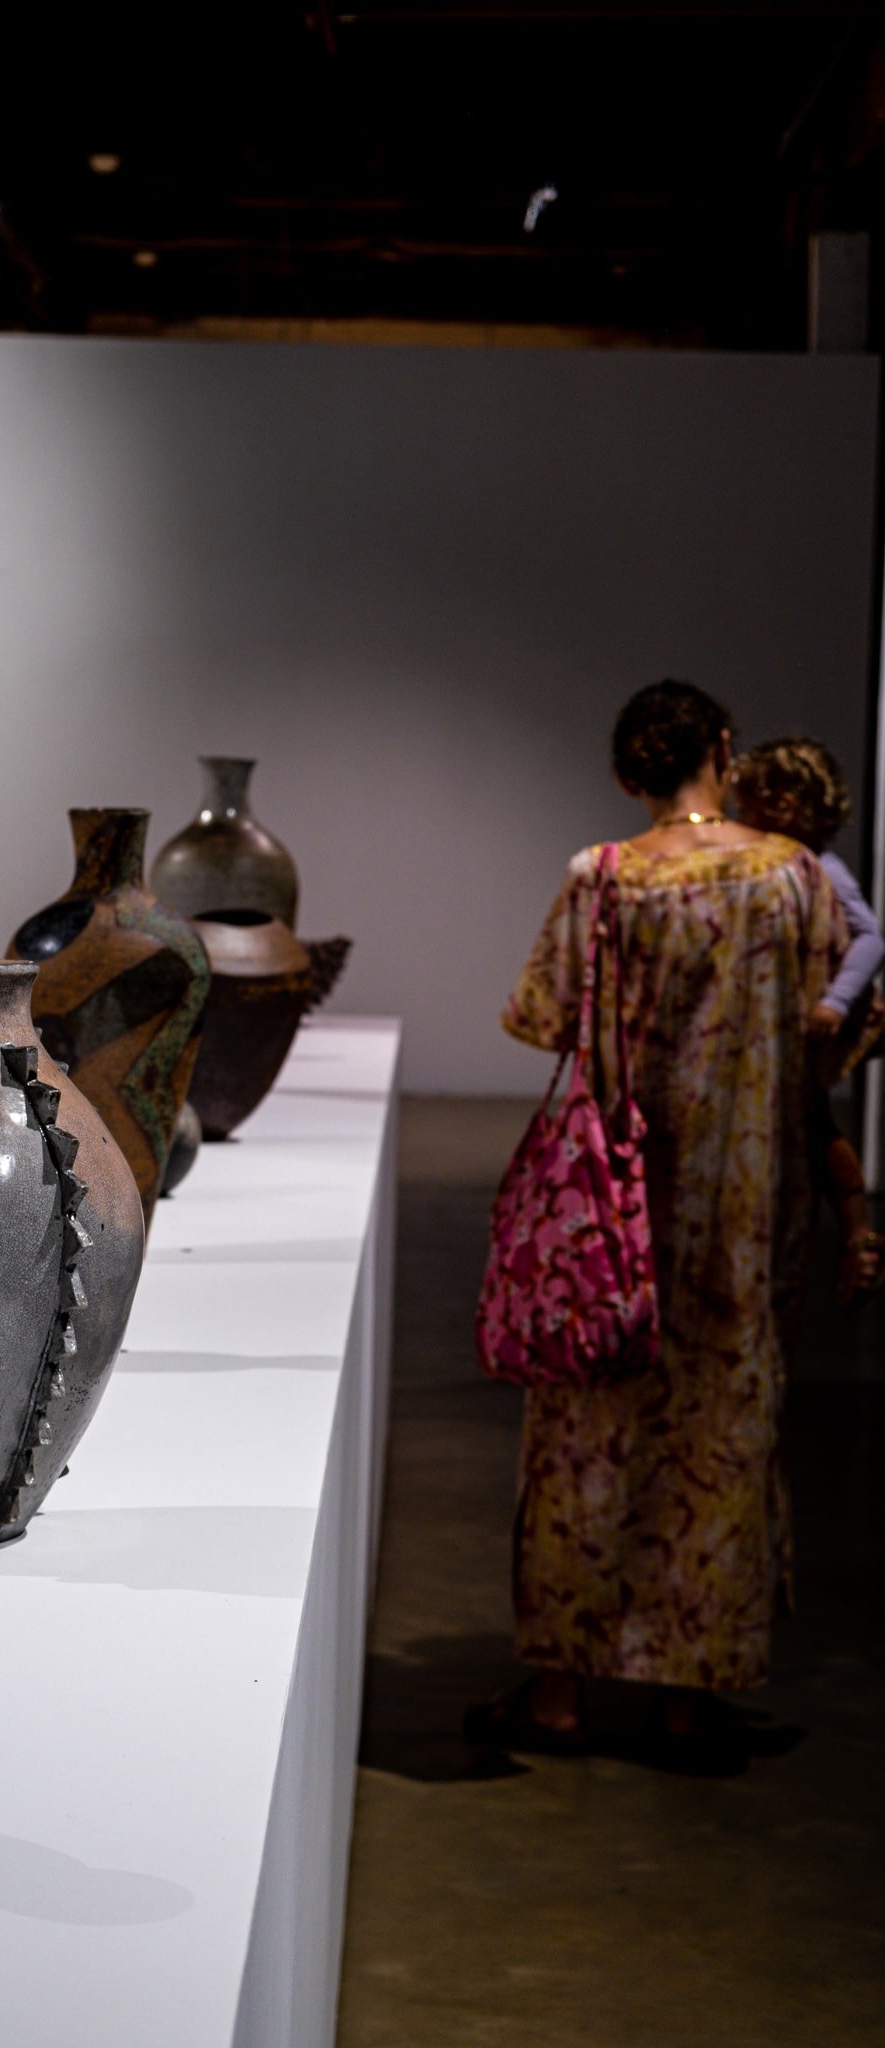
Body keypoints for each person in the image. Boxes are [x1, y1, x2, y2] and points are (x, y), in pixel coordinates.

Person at [483, 680, 847, 1770]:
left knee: (588, 1427)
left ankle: (558, 1688)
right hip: (740, 1205)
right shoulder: (786, 876)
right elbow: (835, 1009)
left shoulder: (602, 877)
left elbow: (539, 1016)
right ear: (724, 752)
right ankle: (688, 1699)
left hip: (614, 1201)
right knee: (720, 1431)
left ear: (624, 774)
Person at [733, 736, 885, 1304]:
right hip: (788, 1025)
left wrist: (837, 1000)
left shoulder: (823, 869)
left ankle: (857, 1236)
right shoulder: (784, 869)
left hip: (814, 1024)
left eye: (751, 805)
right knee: (810, 1124)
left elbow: (870, 937)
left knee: (816, 1123)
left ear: (785, 804)